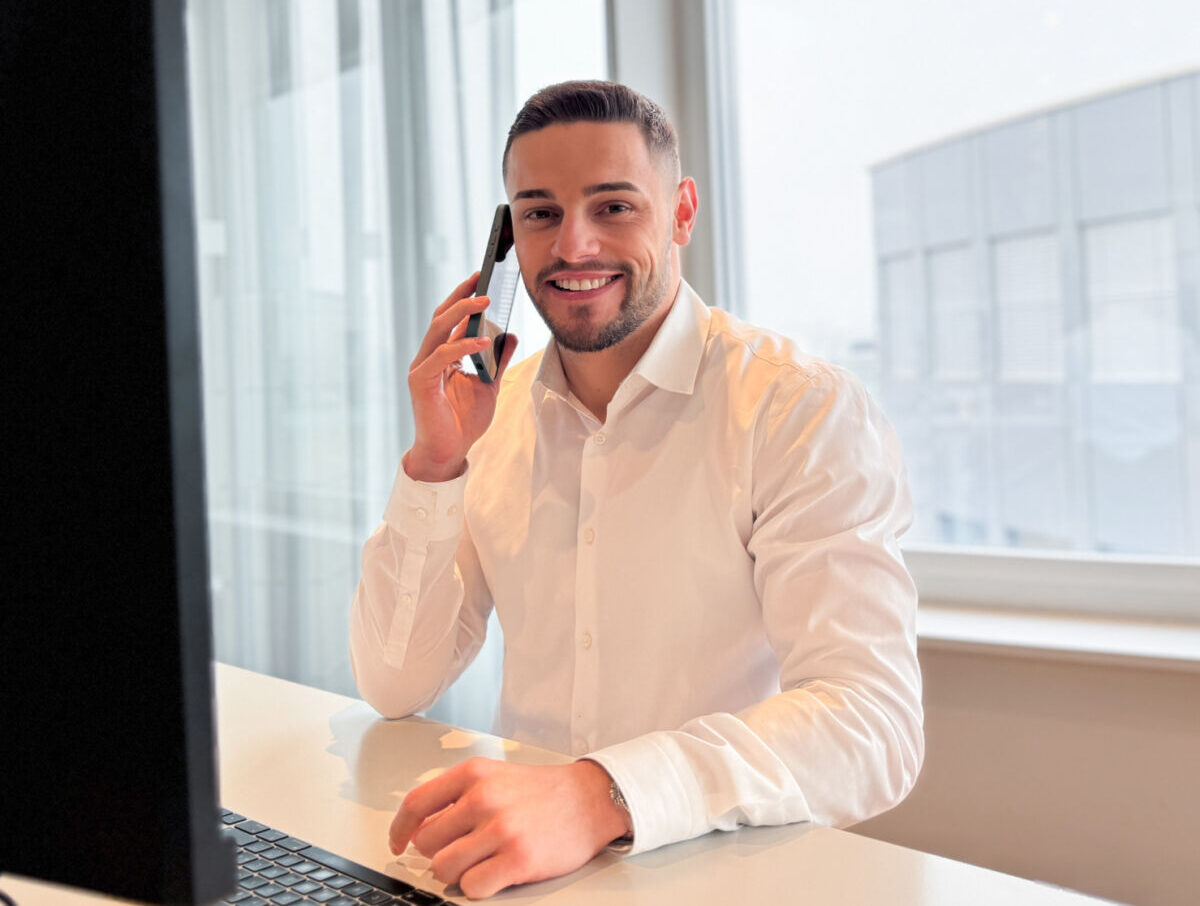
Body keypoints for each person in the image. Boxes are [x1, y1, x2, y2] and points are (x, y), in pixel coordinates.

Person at [350, 80, 923, 900]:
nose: (574, 245)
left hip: (725, 878)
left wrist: (600, 793)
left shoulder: (797, 408)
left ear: (682, 211)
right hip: (528, 880)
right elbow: (395, 682)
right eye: (540, 213)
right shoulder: (493, 416)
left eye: (614, 206)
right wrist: (436, 465)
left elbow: (871, 725)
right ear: (510, 238)